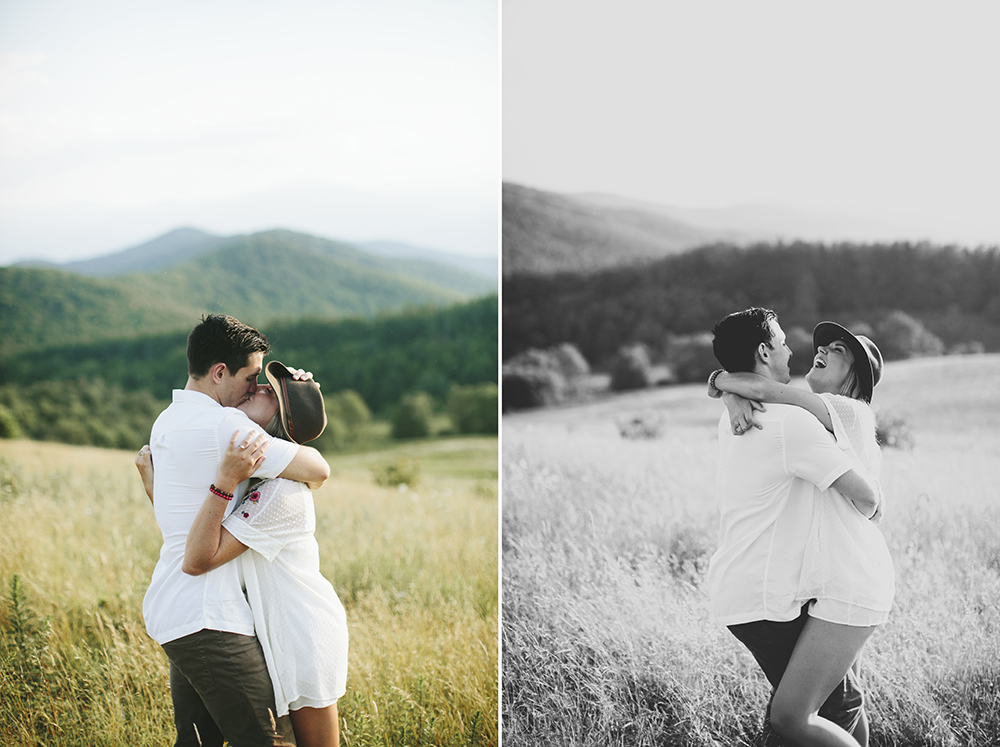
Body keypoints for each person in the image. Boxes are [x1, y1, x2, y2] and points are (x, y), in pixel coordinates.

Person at [138, 314, 330, 747]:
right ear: (220, 372)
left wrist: (299, 399)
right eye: (252, 377)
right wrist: (298, 401)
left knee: (198, 742)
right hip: (211, 617)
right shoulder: (226, 426)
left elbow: (184, 518)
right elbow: (319, 469)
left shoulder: (166, 420)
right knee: (268, 741)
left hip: (176, 610)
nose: (254, 386)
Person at [704, 308, 890, 747]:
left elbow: (869, 499)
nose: (818, 350)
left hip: (850, 576)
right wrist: (725, 387)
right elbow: (765, 392)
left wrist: (722, 383)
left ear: (855, 377)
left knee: (794, 718)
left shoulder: (847, 411)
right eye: (821, 345)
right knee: (844, 706)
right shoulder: (789, 417)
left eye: (837, 350)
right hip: (829, 580)